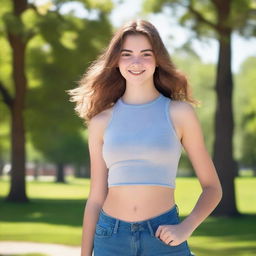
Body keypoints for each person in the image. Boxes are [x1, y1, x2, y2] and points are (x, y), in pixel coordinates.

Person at [67, 19, 222, 256]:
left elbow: (212, 188)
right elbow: (96, 197)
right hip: (110, 238)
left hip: (164, 238)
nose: (136, 62)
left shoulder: (179, 113)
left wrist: (185, 228)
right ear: (116, 60)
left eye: (145, 54)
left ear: (157, 59)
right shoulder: (100, 122)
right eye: (127, 54)